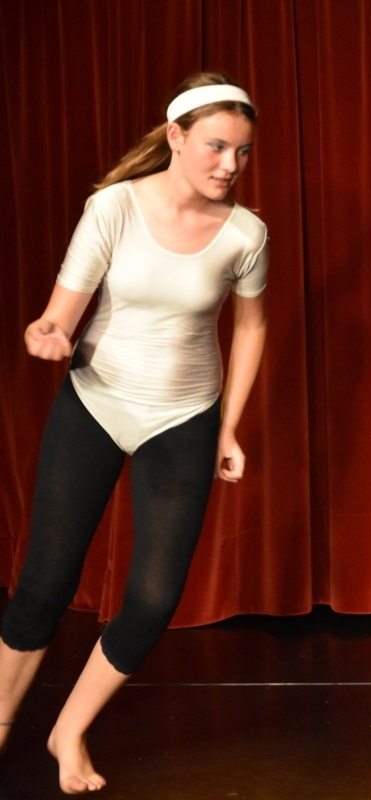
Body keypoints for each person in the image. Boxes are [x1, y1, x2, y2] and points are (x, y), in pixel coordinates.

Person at [0, 73, 267, 794]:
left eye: (243, 152)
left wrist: (229, 427)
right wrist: (46, 333)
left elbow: (251, 328)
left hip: (184, 417)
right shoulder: (114, 207)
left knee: (153, 597)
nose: (231, 165)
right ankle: (0, 718)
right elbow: (61, 312)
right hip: (96, 403)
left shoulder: (245, 234)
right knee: (44, 584)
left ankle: (69, 731)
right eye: (217, 147)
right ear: (176, 137)